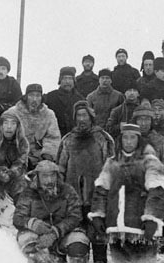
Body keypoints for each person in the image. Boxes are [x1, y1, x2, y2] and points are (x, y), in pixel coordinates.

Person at [89, 123, 164, 263]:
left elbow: (158, 190)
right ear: (120, 140)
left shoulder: (150, 161)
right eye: (125, 137)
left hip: (142, 229)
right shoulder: (112, 163)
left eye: (133, 137)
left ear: (139, 139)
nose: (129, 141)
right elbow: (101, 190)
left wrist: (152, 218)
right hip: (117, 228)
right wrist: (98, 214)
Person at [57, 101, 114, 263]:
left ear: (91, 116)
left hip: (97, 202)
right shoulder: (68, 140)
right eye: (78, 116)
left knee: (99, 240)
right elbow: (60, 170)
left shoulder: (103, 138)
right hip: (74, 202)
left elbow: (111, 169)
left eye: (85, 115)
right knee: (77, 244)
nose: (82, 119)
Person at [14, 161, 89, 263]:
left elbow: (75, 216)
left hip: (63, 235)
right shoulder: (28, 193)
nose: (49, 180)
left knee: (79, 244)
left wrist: (55, 233)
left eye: (52, 175)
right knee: (28, 242)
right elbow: (18, 217)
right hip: (38, 237)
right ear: (37, 177)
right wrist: (33, 223)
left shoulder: (68, 190)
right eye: (45, 176)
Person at [6, 84, 61, 170]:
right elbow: (1, 133)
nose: (34, 99)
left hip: (38, 157)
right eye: (31, 95)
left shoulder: (49, 114)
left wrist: (47, 155)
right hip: (15, 155)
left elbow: (53, 137)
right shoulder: (13, 112)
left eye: (38, 96)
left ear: (41, 98)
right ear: (26, 97)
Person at [44, 67, 85, 137]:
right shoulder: (50, 97)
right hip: (54, 138)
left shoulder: (80, 100)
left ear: (74, 81)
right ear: (60, 80)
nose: (67, 82)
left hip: (75, 138)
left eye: (70, 79)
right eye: (65, 78)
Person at [132, 103, 164, 173]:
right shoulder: (128, 140)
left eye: (147, 119)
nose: (143, 123)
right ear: (135, 121)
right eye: (140, 119)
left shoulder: (159, 140)